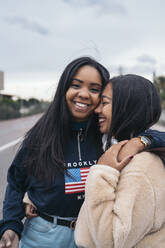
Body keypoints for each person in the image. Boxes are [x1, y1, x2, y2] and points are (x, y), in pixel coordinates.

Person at [0, 59, 165, 248]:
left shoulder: (107, 132)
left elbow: (148, 132)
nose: (84, 94)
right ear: (63, 89)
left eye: (95, 90)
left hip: (90, 236)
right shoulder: (42, 136)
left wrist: (143, 141)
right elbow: (16, 181)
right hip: (44, 235)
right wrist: (11, 224)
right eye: (76, 85)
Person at [74, 74, 165, 248]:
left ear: (127, 107)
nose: (97, 110)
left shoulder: (139, 166)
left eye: (105, 103)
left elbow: (110, 242)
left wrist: (101, 172)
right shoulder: (125, 150)